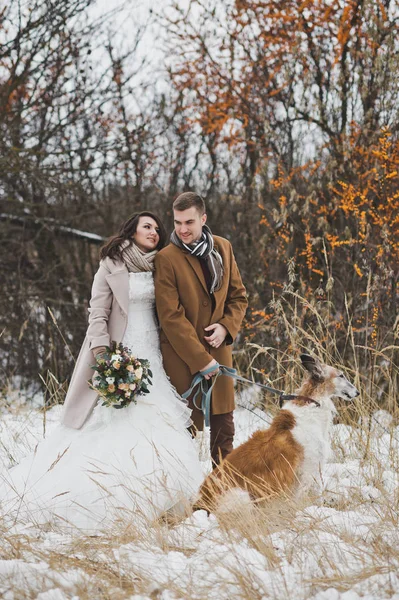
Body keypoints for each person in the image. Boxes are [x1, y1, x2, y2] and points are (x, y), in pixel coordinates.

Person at [0, 212, 203, 531]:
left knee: (160, 420)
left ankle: (164, 498)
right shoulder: (112, 263)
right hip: (119, 352)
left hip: (152, 355)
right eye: (146, 226)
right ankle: (111, 496)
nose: (154, 231)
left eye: (157, 228)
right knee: (117, 421)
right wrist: (104, 355)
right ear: (132, 230)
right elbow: (97, 313)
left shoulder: (161, 263)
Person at [154, 193, 248, 467]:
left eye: (189, 222)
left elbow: (238, 297)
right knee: (183, 434)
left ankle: (223, 495)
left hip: (221, 353)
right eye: (177, 222)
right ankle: (181, 497)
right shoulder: (166, 258)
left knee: (224, 434)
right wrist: (200, 359)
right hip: (183, 360)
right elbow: (170, 317)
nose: (182, 229)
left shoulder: (224, 247)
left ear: (203, 219)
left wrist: (225, 327)